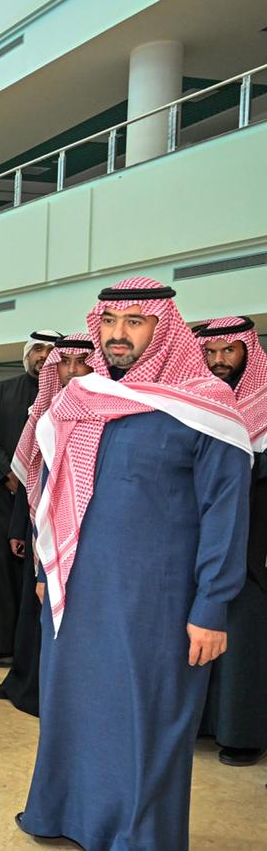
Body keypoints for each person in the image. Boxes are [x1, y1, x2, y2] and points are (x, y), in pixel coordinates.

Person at [17, 279, 250, 849]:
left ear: (163, 328)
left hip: (156, 601)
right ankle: (64, 814)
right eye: (110, 321)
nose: (117, 334)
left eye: (134, 321)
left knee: (148, 718)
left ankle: (139, 835)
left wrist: (212, 606)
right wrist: (45, 571)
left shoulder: (205, 406)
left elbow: (225, 511)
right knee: (74, 709)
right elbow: (52, 489)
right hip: (75, 592)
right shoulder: (81, 397)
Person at [0, 333, 94, 714]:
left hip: (83, 528)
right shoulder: (45, 411)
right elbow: (32, 474)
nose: (72, 371)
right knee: (33, 610)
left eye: (82, 362)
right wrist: (20, 527)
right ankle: (25, 682)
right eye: (65, 363)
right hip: (40, 524)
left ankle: (59, 692)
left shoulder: (106, 409)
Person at [194, 316, 267, 767]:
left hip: (253, 537)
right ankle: (202, 722)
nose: (219, 360)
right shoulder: (197, 399)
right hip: (203, 530)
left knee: (243, 631)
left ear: (247, 351)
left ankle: (242, 732)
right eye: (211, 352)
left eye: (228, 351)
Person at [0, 330, 59, 666]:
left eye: (50, 350)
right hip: (0, 492)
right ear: (27, 354)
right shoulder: (1, 390)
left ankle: (33, 646)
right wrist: (10, 474)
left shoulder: (66, 396)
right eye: (38, 349)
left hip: (47, 497)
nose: (43, 355)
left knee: (36, 571)